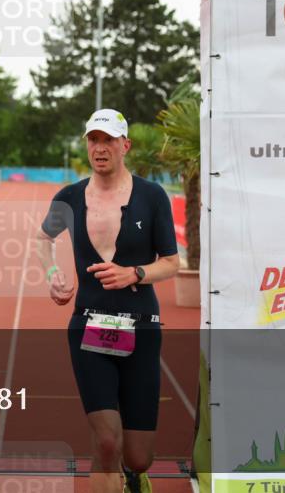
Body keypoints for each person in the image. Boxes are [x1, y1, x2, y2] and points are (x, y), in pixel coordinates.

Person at [35, 109, 181, 493]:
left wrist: (135, 273)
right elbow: (42, 239)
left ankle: (135, 475)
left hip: (141, 329)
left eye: (108, 141)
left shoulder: (152, 196)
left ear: (125, 146)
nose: (100, 148)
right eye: (93, 140)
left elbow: (171, 263)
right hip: (89, 326)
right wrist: (53, 275)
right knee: (106, 441)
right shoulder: (69, 197)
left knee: (138, 455)